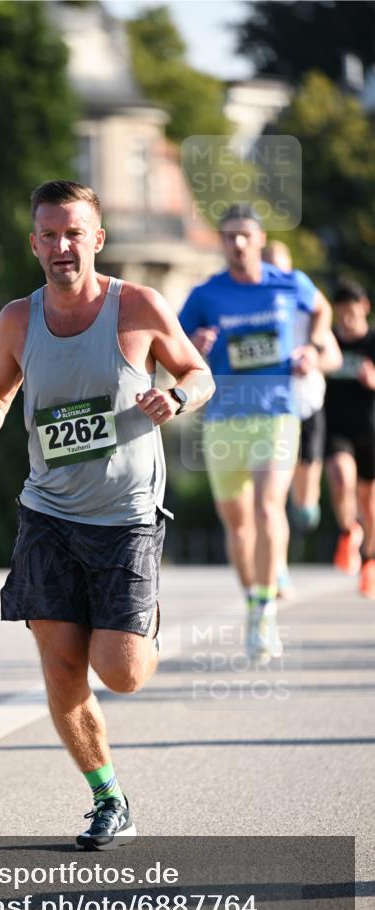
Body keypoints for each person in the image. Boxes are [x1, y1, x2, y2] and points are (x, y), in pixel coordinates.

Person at [0, 180, 214, 850]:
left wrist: (175, 398)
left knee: (120, 673)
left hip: (126, 518)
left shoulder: (139, 307)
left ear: (96, 239)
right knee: (61, 666)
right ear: (34, 243)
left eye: (73, 233)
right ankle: (108, 799)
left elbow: (199, 374)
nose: (61, 246)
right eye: (49, 234)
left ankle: (142, 624)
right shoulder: (17, 319)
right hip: (46, 514)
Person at [179, 204, 334, 661]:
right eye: (229, 236)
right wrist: (194, 347)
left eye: (245, 235)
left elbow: (321, 309)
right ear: (222, 242)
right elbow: (172, 345)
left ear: (261, 239)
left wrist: (312, 347)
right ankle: (253, 599)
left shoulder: (289, 283)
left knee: (268, 508)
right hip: (224, 418)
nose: (238, 243)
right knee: (238, 524)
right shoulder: (206, 294)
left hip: (276, 413)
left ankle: (266, 608)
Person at [261, 241, 342, 596]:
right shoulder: (253, 311)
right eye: (268, 270)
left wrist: (313, 358)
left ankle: (306, 506)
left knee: (304, 506)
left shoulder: (309, 310)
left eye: (281, 270)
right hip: (270, 412)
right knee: (272, 499)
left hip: (307, 408)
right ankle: (278, 570)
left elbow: (334, 359)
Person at [324, 280, 375, 598]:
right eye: (341, 312)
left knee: (370, 504)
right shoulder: (328, 341)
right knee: (341, 479)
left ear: (365, 308)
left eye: (352, 312)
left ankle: (369, 561)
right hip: (337, 429)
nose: (346, 318)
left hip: (370, 430)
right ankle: (347, 531)